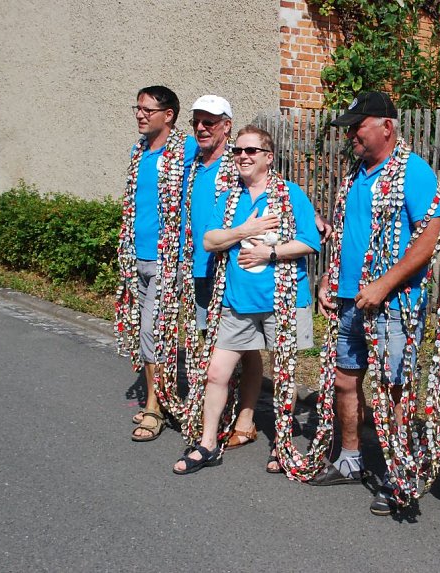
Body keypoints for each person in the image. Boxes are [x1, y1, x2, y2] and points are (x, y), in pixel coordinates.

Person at [313, 91, 440, 517]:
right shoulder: (356, 173)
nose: (350, 134)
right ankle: (350, 458)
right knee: (345, 381)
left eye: (357, 126)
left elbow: (430, 236)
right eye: (348, 127)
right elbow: (348, 234)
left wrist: (384, 284)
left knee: (394, 389)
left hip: (392, 304)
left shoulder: (413, 172)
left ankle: (397, 474)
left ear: (386, 126)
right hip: (351, 300)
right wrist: (331, 279)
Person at [172, 125, 321, 474]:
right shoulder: (229, 198)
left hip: (281, 302)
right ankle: (208, 444)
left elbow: (310, 241)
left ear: (268, 158)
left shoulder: (290, 194)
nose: (243, 156)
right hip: (235, 303)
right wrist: (244, 231)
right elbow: (209, 241)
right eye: (238, 150)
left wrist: (270, 253)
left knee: (284, 376)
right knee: (216, 373)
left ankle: (281, 445)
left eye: (251, 151)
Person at [117, 85, 197, 442]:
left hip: (171, 259)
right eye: (137, 108)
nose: (139, 114)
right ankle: (159, 398)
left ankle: (155, 407)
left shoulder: (187, 149)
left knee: (153, 330)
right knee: (145, 332)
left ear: (169, 115)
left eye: (148, 109)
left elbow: (233, 173)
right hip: (139, 257)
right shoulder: (140, 151)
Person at [185, 94, 263, 451]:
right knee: (213, 344)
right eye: (197, 122)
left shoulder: (238, 163)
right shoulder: (188, 163)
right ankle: (219, 412)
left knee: (246, 348)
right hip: (197, 268)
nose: (202, 128)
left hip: (230, 270)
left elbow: (273, 194)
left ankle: (245, 418)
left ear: (226, 127)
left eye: (210, 122)